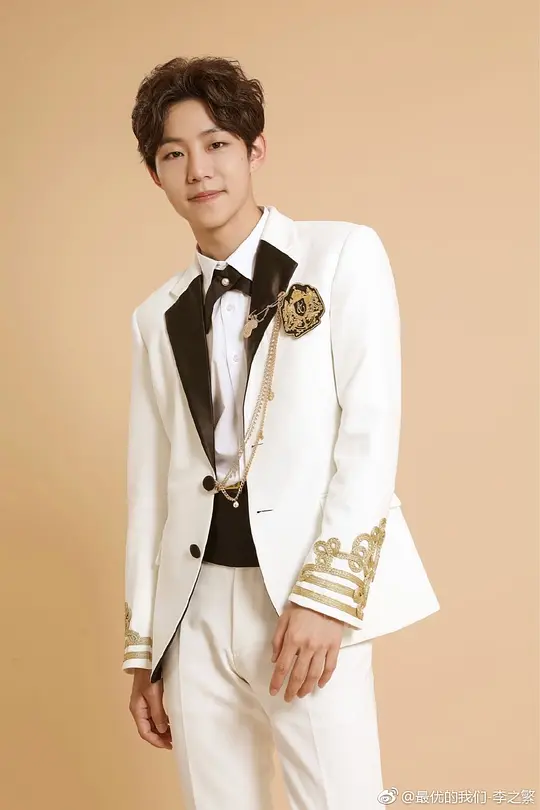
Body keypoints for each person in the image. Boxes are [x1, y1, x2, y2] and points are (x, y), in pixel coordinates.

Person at [123, 55, 440, 810]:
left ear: (255, 149)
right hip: (194, 610)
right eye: (174, 154)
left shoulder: (341, 255)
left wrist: (328, 599)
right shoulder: (154, 316)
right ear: (156, 175)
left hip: (302, 592)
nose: (199, 170)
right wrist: (146, 650)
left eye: (217, 144)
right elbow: (150, 487)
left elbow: (370, 432)